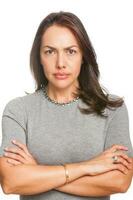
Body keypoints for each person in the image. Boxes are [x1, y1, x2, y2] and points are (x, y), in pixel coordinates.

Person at [0, 11, 133, 200]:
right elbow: (11, 182)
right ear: (39, 57)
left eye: (70, 51)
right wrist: (88, 167)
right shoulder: (18, 110)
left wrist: (37, 173)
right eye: (50, 51)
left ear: (83, 56)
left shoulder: (112, 109)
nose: (60, 63)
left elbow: (120, 181)